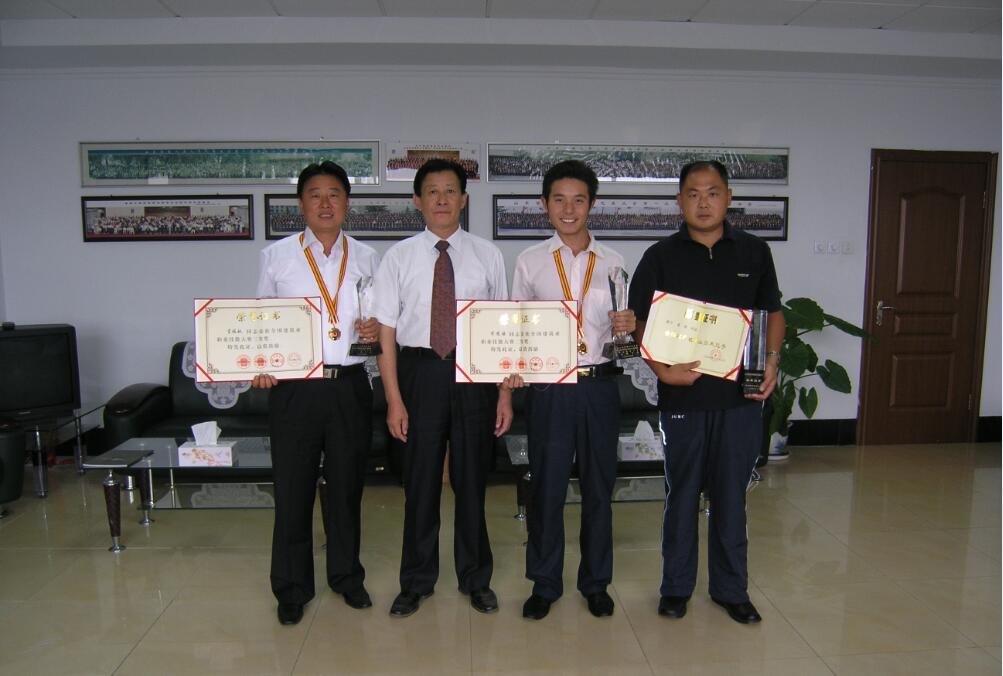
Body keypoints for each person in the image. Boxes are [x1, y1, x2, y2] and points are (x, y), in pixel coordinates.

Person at [627, 160, 784, 624]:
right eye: (693, 194)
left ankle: (731, 590)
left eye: (712, 192)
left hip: (740, 399)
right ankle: (676, 588)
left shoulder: (754, 252)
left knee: (732, 496)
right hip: (684, 400)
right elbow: (638, 323)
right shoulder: (660, 256)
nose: (703, 202)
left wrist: (772, 361)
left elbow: (773, 313)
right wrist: (661, 370)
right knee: (682, 495)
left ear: (728, 197)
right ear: (679, 201)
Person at [372, 158, 514, 618]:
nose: (441, 199)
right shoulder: (398, 257)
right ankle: (416, 581)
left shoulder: (488, 255)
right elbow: (386, 333)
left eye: (450, 190)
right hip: (419, 373)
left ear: (464, 199)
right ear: (417, 201)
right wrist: (394, 399)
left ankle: (476, 579)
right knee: (420, 482)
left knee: (472, 481)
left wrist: (504, 394)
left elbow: (501, 328)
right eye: (432, 191)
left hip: (474, 372)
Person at [506, 160, 636, 621]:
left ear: (592, 204)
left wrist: (628, 325)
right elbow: (516, 326)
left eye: (578, 200)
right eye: (559, 200)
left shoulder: (615, 262)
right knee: (547, 489)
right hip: (550, 389)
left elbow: (624, 337)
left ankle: (596, 583)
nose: (568, 209)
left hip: (599, 386)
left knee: (600, 488)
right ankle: (544, 583)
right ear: (544, 205)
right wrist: (512, 368)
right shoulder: (530, 262)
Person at [253, 161, 380, 626]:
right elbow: (263, 320)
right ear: (301, 204)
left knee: (346, 489)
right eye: (315, 195)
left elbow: (379, 320)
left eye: (334, 194)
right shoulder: (277, 257)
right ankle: (291, 587)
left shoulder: (367, 257)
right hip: (295, 389)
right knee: (293, 490)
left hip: (349, 386)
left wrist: (374, 329)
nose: (325, 203)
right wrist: (263, 364)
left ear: (347, 203)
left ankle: (346, 576)